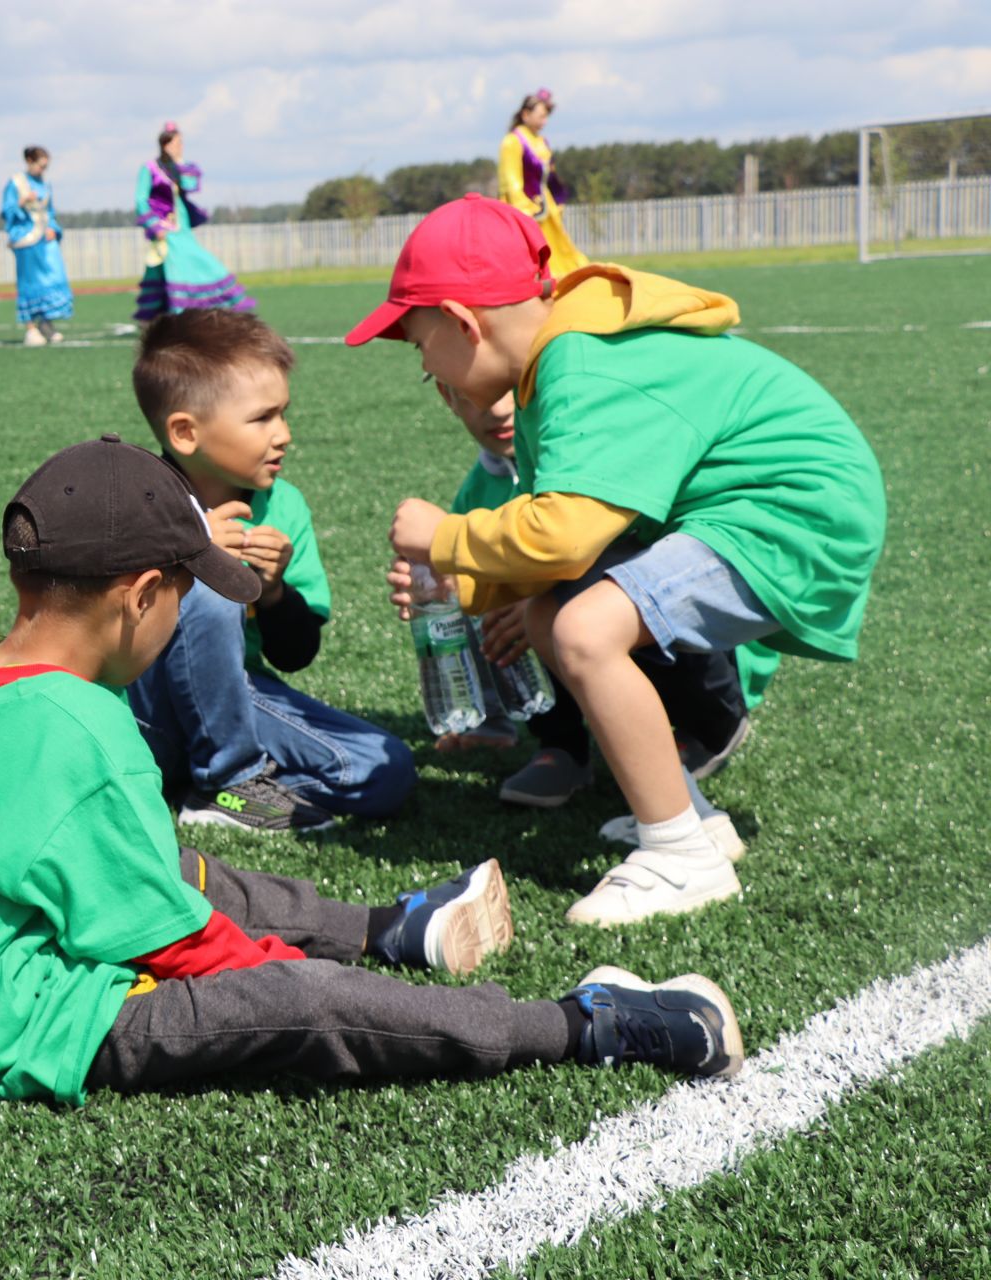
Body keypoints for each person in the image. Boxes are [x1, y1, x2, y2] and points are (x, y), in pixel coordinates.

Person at [0, 434, 742, 1107]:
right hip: (42, 1027)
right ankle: (587, 1025)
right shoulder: (93, 732)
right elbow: (176, 946)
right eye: (184, 598)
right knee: (292, 996)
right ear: (142, 598)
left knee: (191, 870)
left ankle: (396, 927)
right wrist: (274, 972)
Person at [351, 194, 885, 926]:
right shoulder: (560, 359)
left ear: (462, 322)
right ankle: (690, 819)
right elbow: (561, 543)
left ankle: (679, 857)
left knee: (584, 630)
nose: (423, 366)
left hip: (792, 513)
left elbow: (564, 536)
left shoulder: (580, 363)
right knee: (552, 615)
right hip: (769, 507)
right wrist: (466, 581)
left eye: (420, 346)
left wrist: (446, 538)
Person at [428, 377, 770, 826]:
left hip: (701, 662)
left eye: (509, 393)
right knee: (481, 586)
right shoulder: (477, 494)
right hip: (576, 646)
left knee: (577, 589)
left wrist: (533, 590)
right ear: (449, 397)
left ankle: (710, 726)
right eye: (477, 397)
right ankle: (561, 748)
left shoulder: (594, 458)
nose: (498, 411)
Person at [124, 310, 413, 831]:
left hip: (236, 698)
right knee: (208, 587)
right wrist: (191, 553)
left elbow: (294, 654)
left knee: (380, 768)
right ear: (186, 433)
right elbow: (96, 621)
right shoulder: (134, 498)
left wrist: (275, 593)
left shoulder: (283, 506)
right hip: (135, 712)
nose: (284, 434)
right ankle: (227, 781)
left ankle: (223, 789)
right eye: (262, 419)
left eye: (283, 413)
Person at [133, 122, 254, 321]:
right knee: (181, 271)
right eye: (177, 143)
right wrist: (155, 226)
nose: (181, 146)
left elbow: (192, 183)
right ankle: (180, 316)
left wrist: (178, 163)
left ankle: (180, 314)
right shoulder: (150, 169)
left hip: (183, 228)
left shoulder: (177, 169)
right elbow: (140, 199)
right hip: (167, 231)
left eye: (181, 143)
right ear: (166, 144)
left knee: (191, 268)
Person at [498, 88, 588, 278]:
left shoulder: (541, 141)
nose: (544, 122)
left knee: (557, 246)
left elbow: (550, 174)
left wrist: (558, 196)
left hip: (545, 205)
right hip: (523, 207)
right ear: (525, 114)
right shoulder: (513, 141)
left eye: (546, 117)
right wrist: (522, 206)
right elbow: (510, 178)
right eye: (540, 116)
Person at [3, 146, 74, 347]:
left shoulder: (45, 184)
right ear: (29, 161)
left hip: (45, 240)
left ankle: (46, 323)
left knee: (55, 277)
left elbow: (50, 212)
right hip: (26, 239)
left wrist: (54, 228)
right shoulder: (16, 183)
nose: (43, 170)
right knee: (29, 283)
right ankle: (31, 329)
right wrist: (22, 201)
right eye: (41, 166)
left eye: (46, 167)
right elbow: (6, 210)